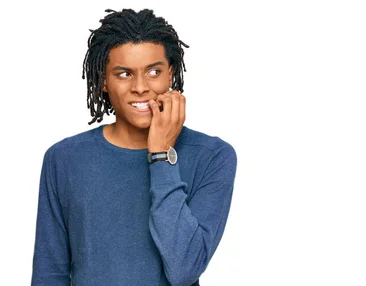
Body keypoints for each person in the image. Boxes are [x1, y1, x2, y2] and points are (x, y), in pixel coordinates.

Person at [31, 8, 237, 286]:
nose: (141, 87)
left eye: (154, 71)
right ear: (104, 80)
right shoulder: (65, 159)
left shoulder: (213, 157)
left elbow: (184, 270)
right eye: (124, 73)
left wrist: (161, 156)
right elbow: (49, 273)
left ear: (170, 75)